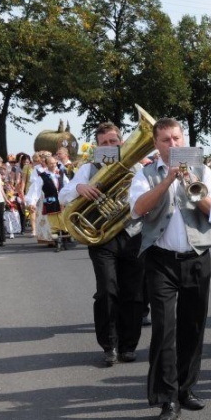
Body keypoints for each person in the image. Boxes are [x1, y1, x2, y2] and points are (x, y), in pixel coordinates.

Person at [130, 118, 211, 420]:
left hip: (196, 257)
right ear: (156, 144)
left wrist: (190, 183)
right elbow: (139, 208)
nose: (172, 145)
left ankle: (186, 388)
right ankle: (166, 398)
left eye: (176, 138)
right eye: (166, 140)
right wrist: (167, 181)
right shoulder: (144, 175)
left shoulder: (204, 171)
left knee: (193, 326)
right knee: (164, 328)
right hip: (161, 260)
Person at [59, 121, 146, 367]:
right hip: (102, 237)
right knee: (107, 291)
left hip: (133, 235)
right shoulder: (89, 168)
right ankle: (110, 345)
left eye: (113, 141)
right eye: (104, 143)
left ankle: (129, 346)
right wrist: (79, 187)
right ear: (97, 146)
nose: (109, 146)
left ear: (122, 142)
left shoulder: (138, 167)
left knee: (134, 293)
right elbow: (64, 194)